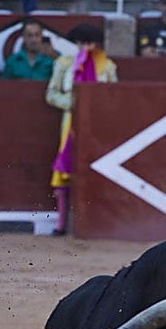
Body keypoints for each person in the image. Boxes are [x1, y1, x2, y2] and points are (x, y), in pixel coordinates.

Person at [46, 21, 115, 236]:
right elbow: (51, 94)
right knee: (65, 169)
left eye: (91, 42)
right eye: (83, 42)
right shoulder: (64, 64)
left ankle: (97, 222)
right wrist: (73, 104)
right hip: (70, 124)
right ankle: (61, 223)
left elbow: (114, 96)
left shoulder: (108, 66)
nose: (87, 47)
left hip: (99, 124)